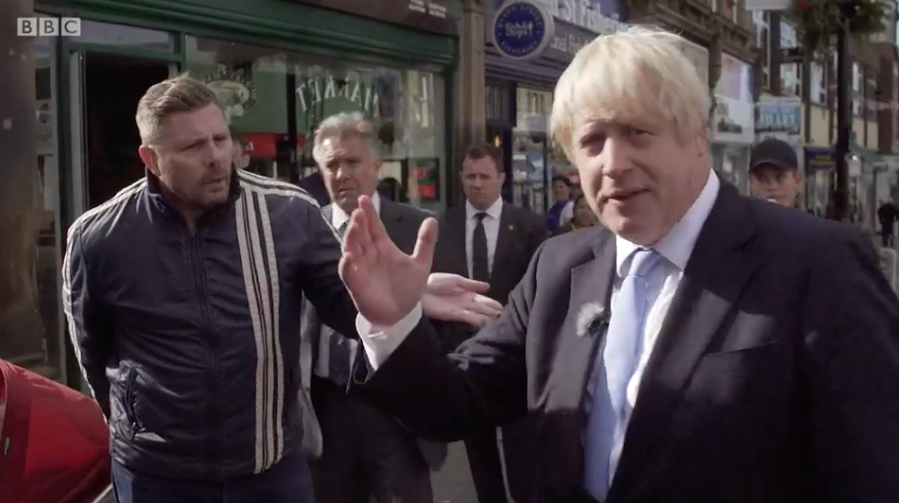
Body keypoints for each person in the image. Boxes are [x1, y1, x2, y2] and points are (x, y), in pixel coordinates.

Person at [336, 26, 899, 503]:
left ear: (696, 136)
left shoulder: (816, 262)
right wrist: (392, 323)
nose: (613, 163)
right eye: (593, 140)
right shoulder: (559, 265)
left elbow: (873, 470)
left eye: (637, 133)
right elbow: (455, 406)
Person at [61, 75, 502, 503]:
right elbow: (93, 353)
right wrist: (135, 423)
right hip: (156, 475)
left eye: (221, 139)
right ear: (151, 158)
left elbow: (345, 301)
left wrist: (405, 302)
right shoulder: (100, 237)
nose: (216, 157)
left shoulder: (287, 213)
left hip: (269, 472)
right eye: (193, 146)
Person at [302, 112, 446, 503]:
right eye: (331, 164)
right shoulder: (306, 230)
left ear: (376, 167)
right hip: (326, 409)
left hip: (396, 409)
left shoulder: (419, 229)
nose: (341, 173)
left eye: (352, 162)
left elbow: (446, 325)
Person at [430, 142, 548, 503]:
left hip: (515, 358)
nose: (477, 184)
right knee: (479, 450)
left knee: (520, 448)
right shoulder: (440, 225)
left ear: (502, 179)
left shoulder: (530, 226)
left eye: (484, 176)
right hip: (464, 356)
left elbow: (545, 289)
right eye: (470, 176)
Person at [748, 137, 801, 207]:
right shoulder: (736, 217)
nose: (772, 187)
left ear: (796, 180)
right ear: (750, 181)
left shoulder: (809, 218)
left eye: (780, 177)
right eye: (762, 178)